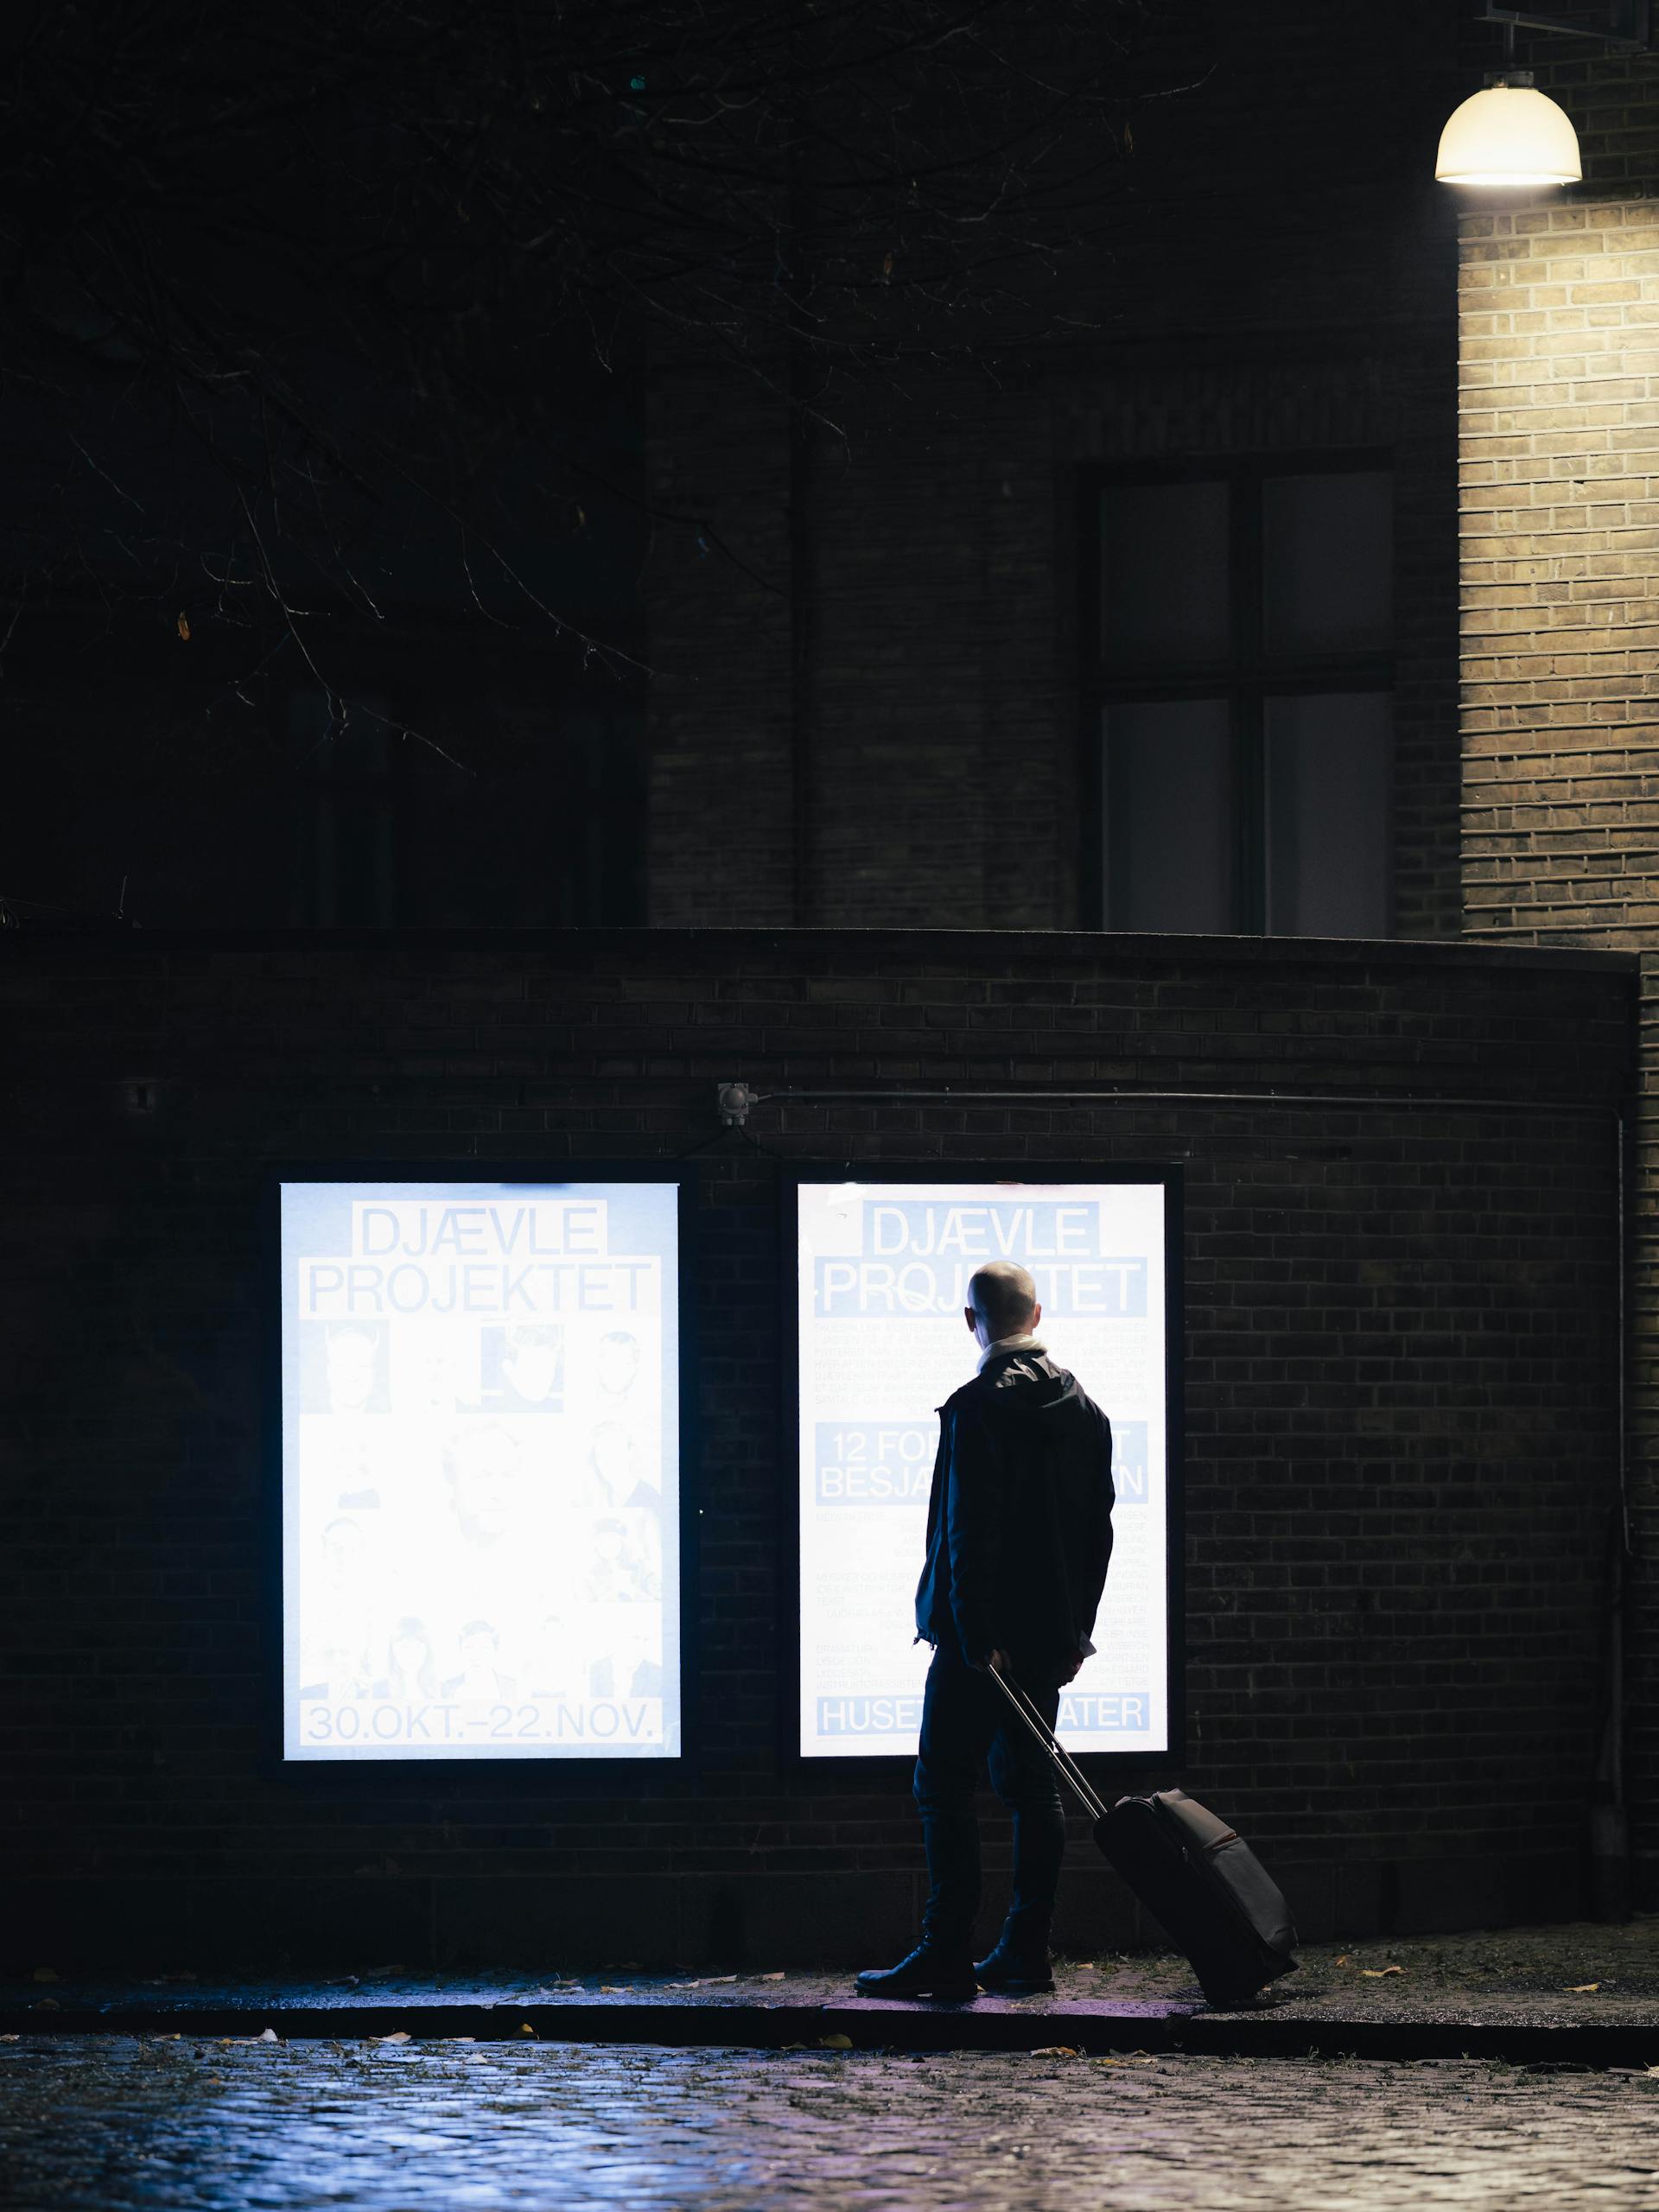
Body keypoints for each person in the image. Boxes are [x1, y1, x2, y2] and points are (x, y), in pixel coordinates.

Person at [855, 1260, 1113, 2003]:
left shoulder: (976, 1408)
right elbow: (1097, 1531)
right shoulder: (1086, 1411)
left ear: (972, 1321)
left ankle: (945, 1952)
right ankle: (1026, 1952)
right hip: (1047, 1639)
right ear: (1039, 1314)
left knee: (942, 1786)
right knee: (1034, 1790)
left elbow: (970, 1529)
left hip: (982, 1643)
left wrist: (973, 1632)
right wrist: (1077, 1632)